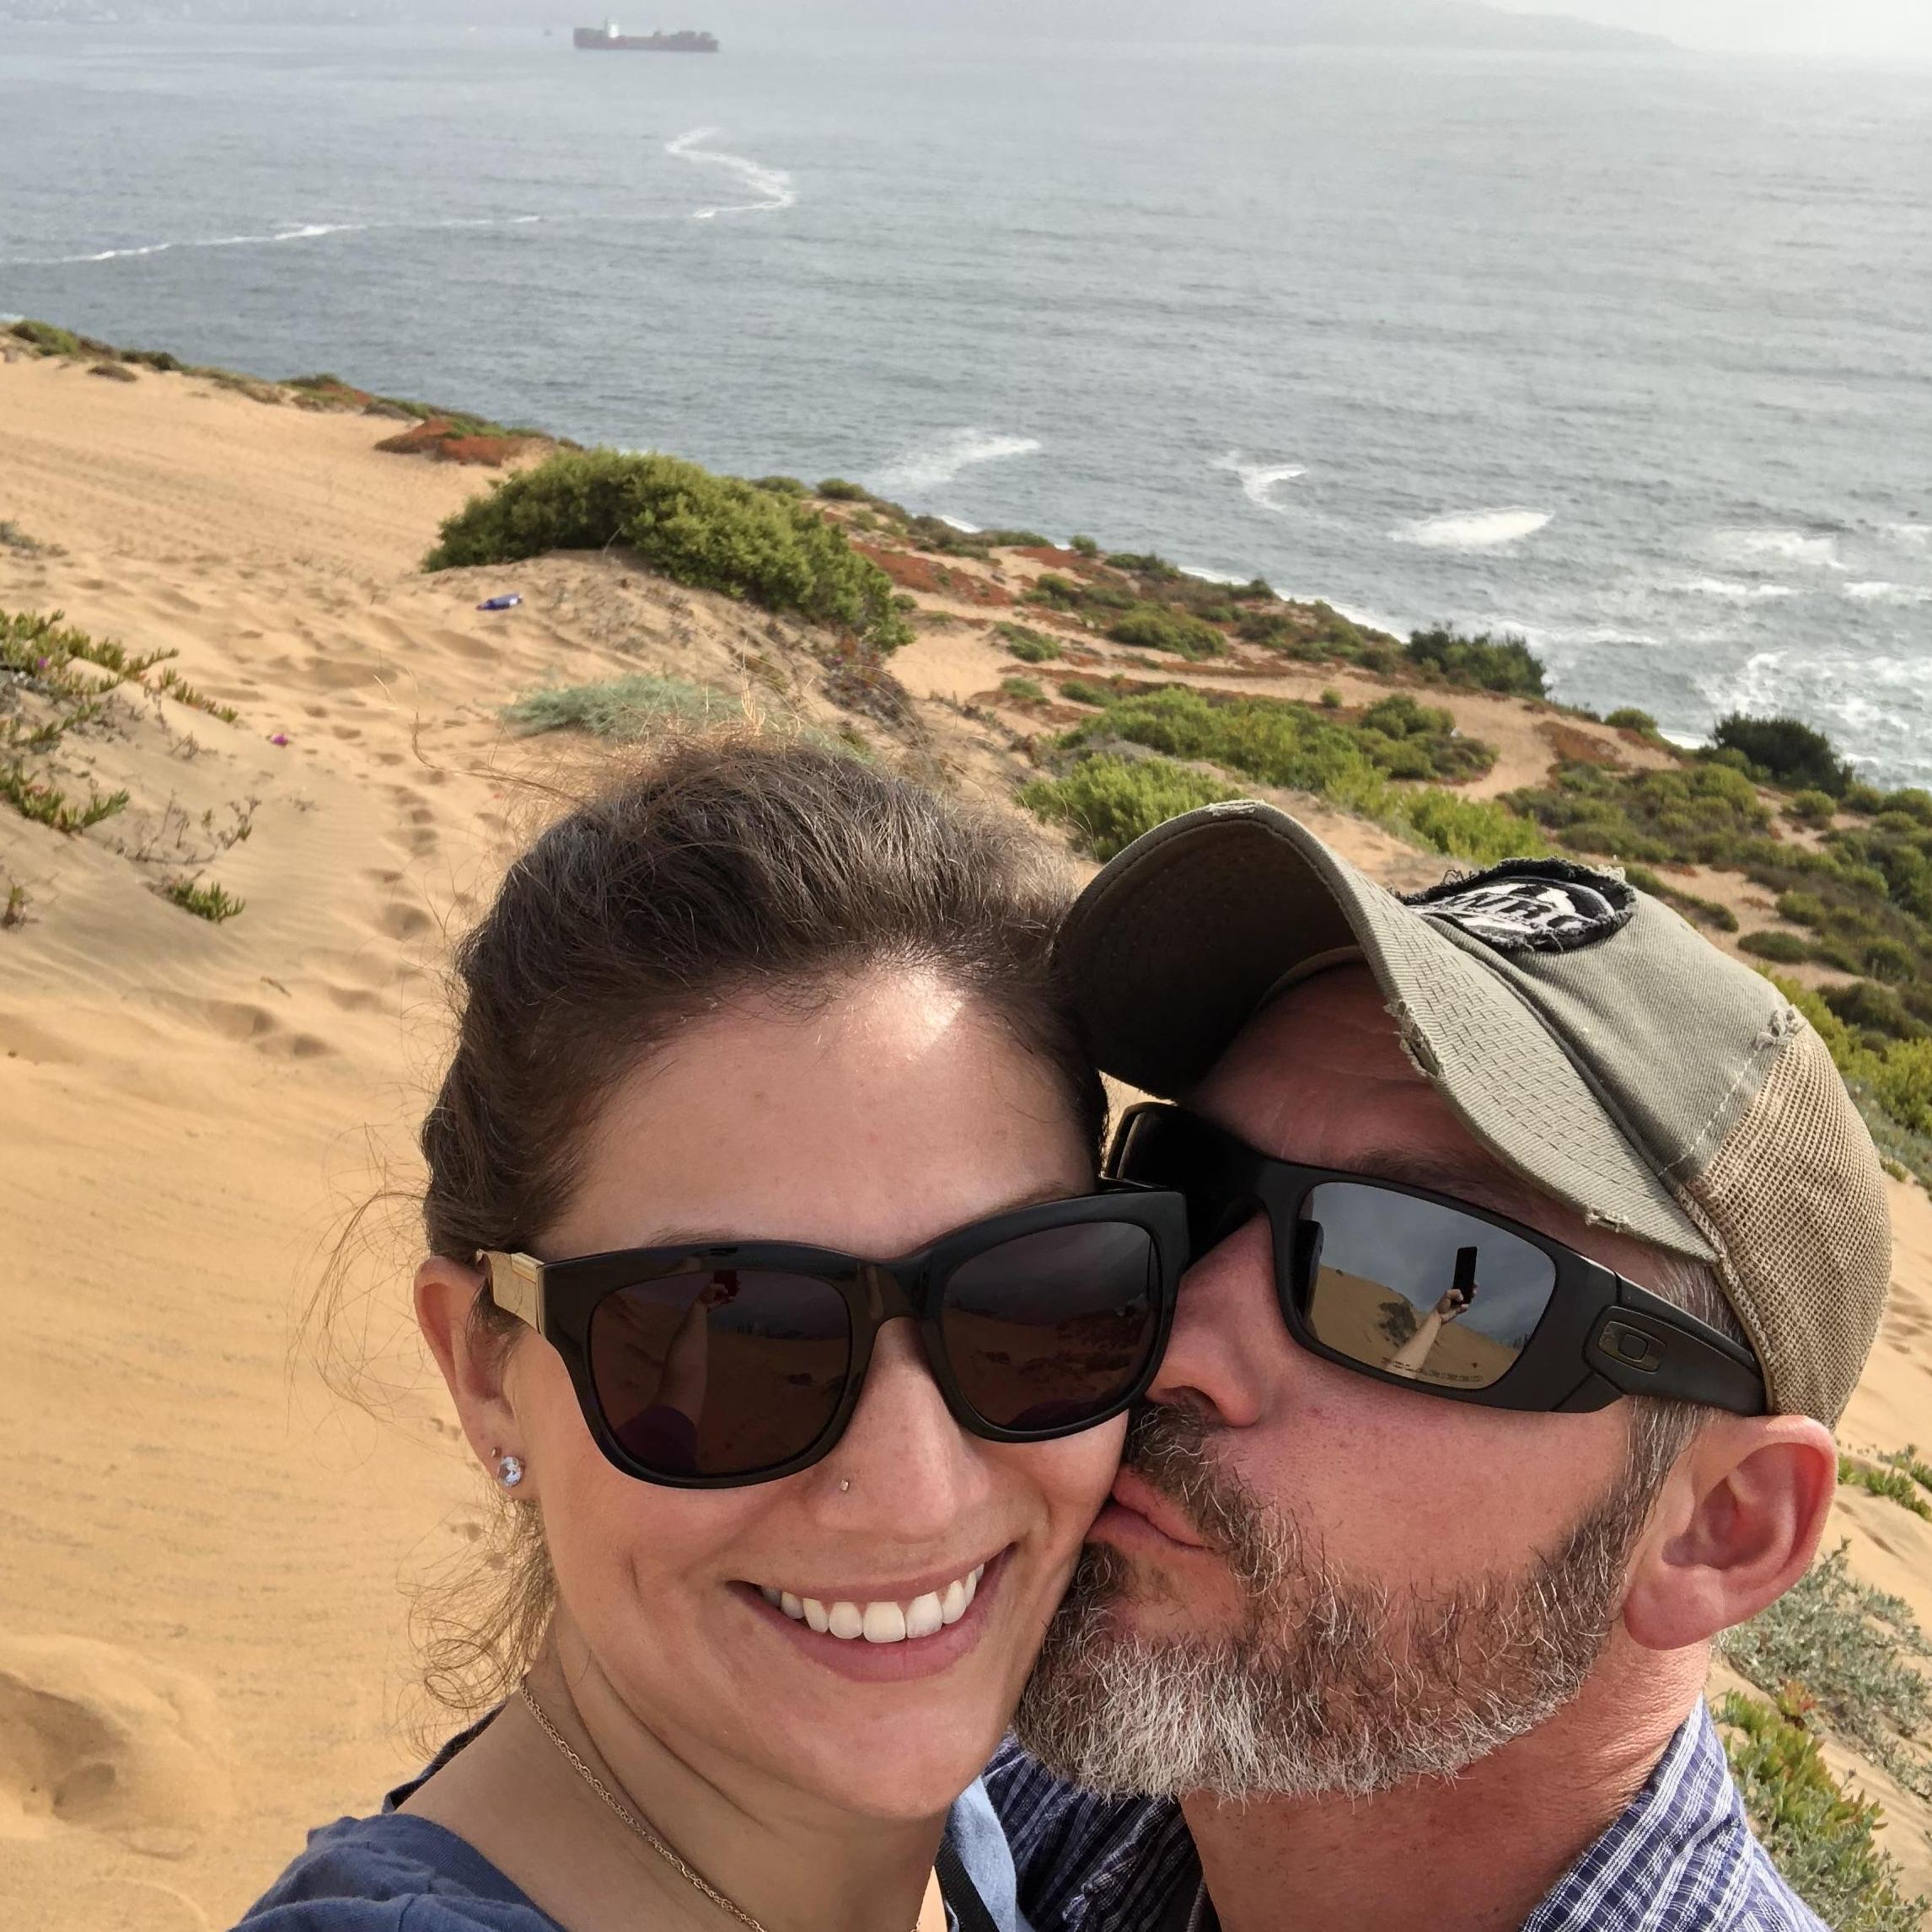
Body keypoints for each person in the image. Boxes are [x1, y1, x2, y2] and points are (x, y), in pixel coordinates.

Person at [237, 736, 1188, 1932]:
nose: (914, 1494)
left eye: (1027, 1302)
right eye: (732, 1342)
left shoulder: (983, 1821)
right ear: (486, 1371)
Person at [994, 802, 1892, 1932]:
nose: (1171, 1347)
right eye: (1186, 1194)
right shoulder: (1016, 1806)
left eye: (1423, 1285)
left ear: (1723, 1527)